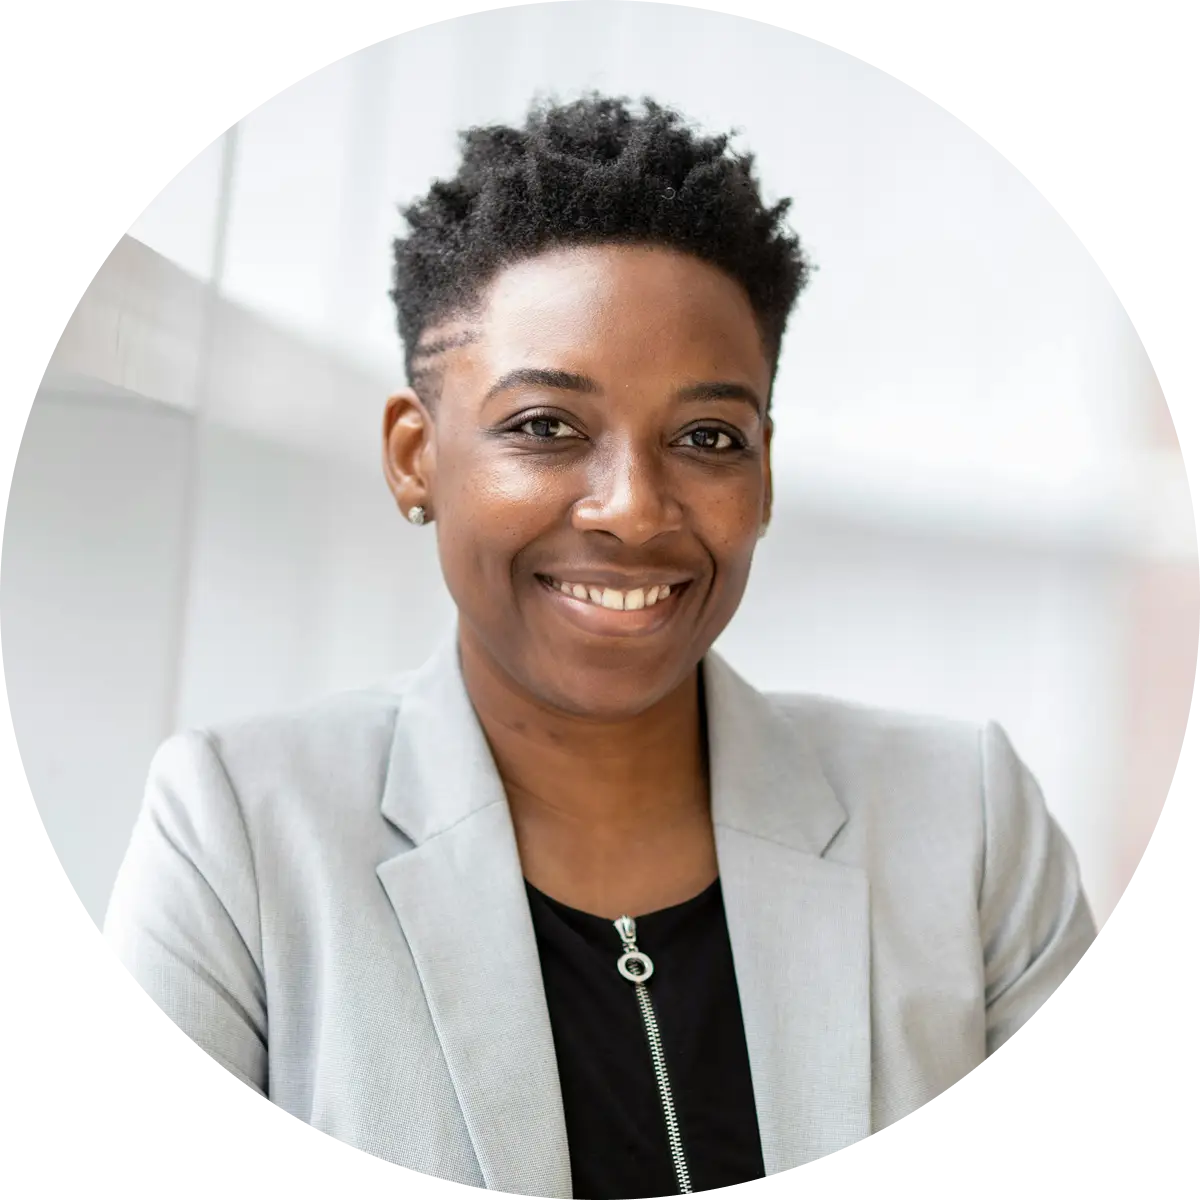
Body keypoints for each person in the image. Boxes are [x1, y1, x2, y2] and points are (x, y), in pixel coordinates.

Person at [102, 94, 1098, 1198]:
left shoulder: (967, 825)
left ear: (765, 476)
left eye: (707, 437)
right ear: (414, 457)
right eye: (546, 428)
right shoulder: (239, 832)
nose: (632, 509)